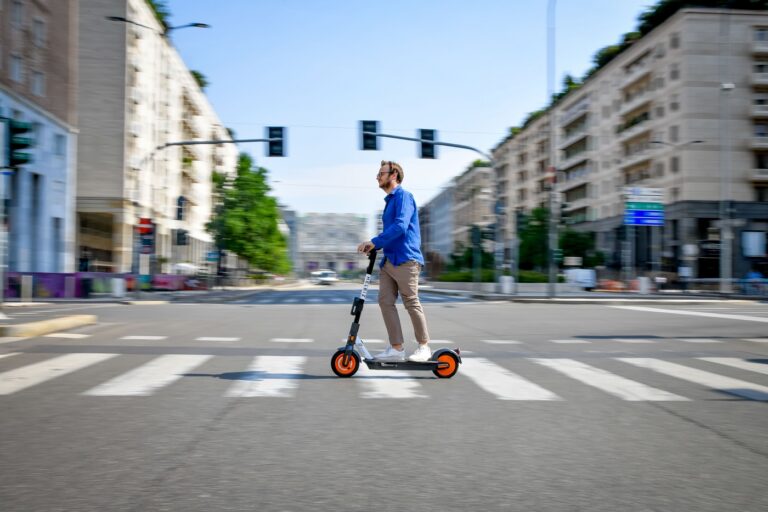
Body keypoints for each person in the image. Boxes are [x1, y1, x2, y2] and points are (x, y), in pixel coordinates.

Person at [357, 160, 431, 362]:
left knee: (411, 301)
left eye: (381, 173)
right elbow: (390, 232)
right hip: (389, 260)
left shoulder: (404, 197)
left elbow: (400, 227)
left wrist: (375, 241)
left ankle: (424, 346)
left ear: (393, 175)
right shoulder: (389, 202)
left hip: (406, 258)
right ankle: (396, 348)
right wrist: (375, 245)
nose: (377, 176)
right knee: (385, 301)